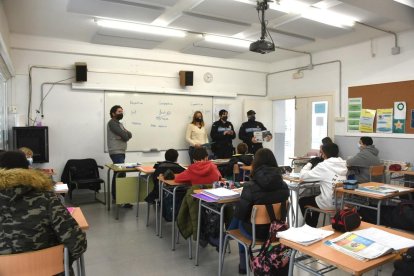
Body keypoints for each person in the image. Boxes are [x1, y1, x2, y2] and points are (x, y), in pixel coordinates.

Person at [0, 151, 87, 266]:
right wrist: (60, 263)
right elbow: (77, 244)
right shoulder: (47, 198)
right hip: (49, 269)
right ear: (28, 169)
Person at [228, 148, 290, 274]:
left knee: (238, 218)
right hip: (276, 231)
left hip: (256, 233)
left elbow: (242, 214)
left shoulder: (250, 186)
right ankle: (227, 234)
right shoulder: (284, 185)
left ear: (255, 163)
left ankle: (243, 263)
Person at [299, 143, 347, 227]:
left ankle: (310, 226)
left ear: (324, 154)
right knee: (316, 198)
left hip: (328, 203)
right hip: (341, 202)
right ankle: (313, 225)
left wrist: (309, 163)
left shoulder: (324, 166)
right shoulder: (343, 164)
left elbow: (303, 177)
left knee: (302, 200)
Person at [107, 105, 132, 207]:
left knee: (119, 173)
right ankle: (119, 199)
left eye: (122, 111)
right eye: (119, 111)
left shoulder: (119, 124)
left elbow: (129, 134)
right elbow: (126, 136)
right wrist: (125, 134)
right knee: (120, 174)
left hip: (121, 151)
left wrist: (125, 134)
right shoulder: (112, 123)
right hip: (116, 151)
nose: (121, 113)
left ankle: (118, 198)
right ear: (113, 113)